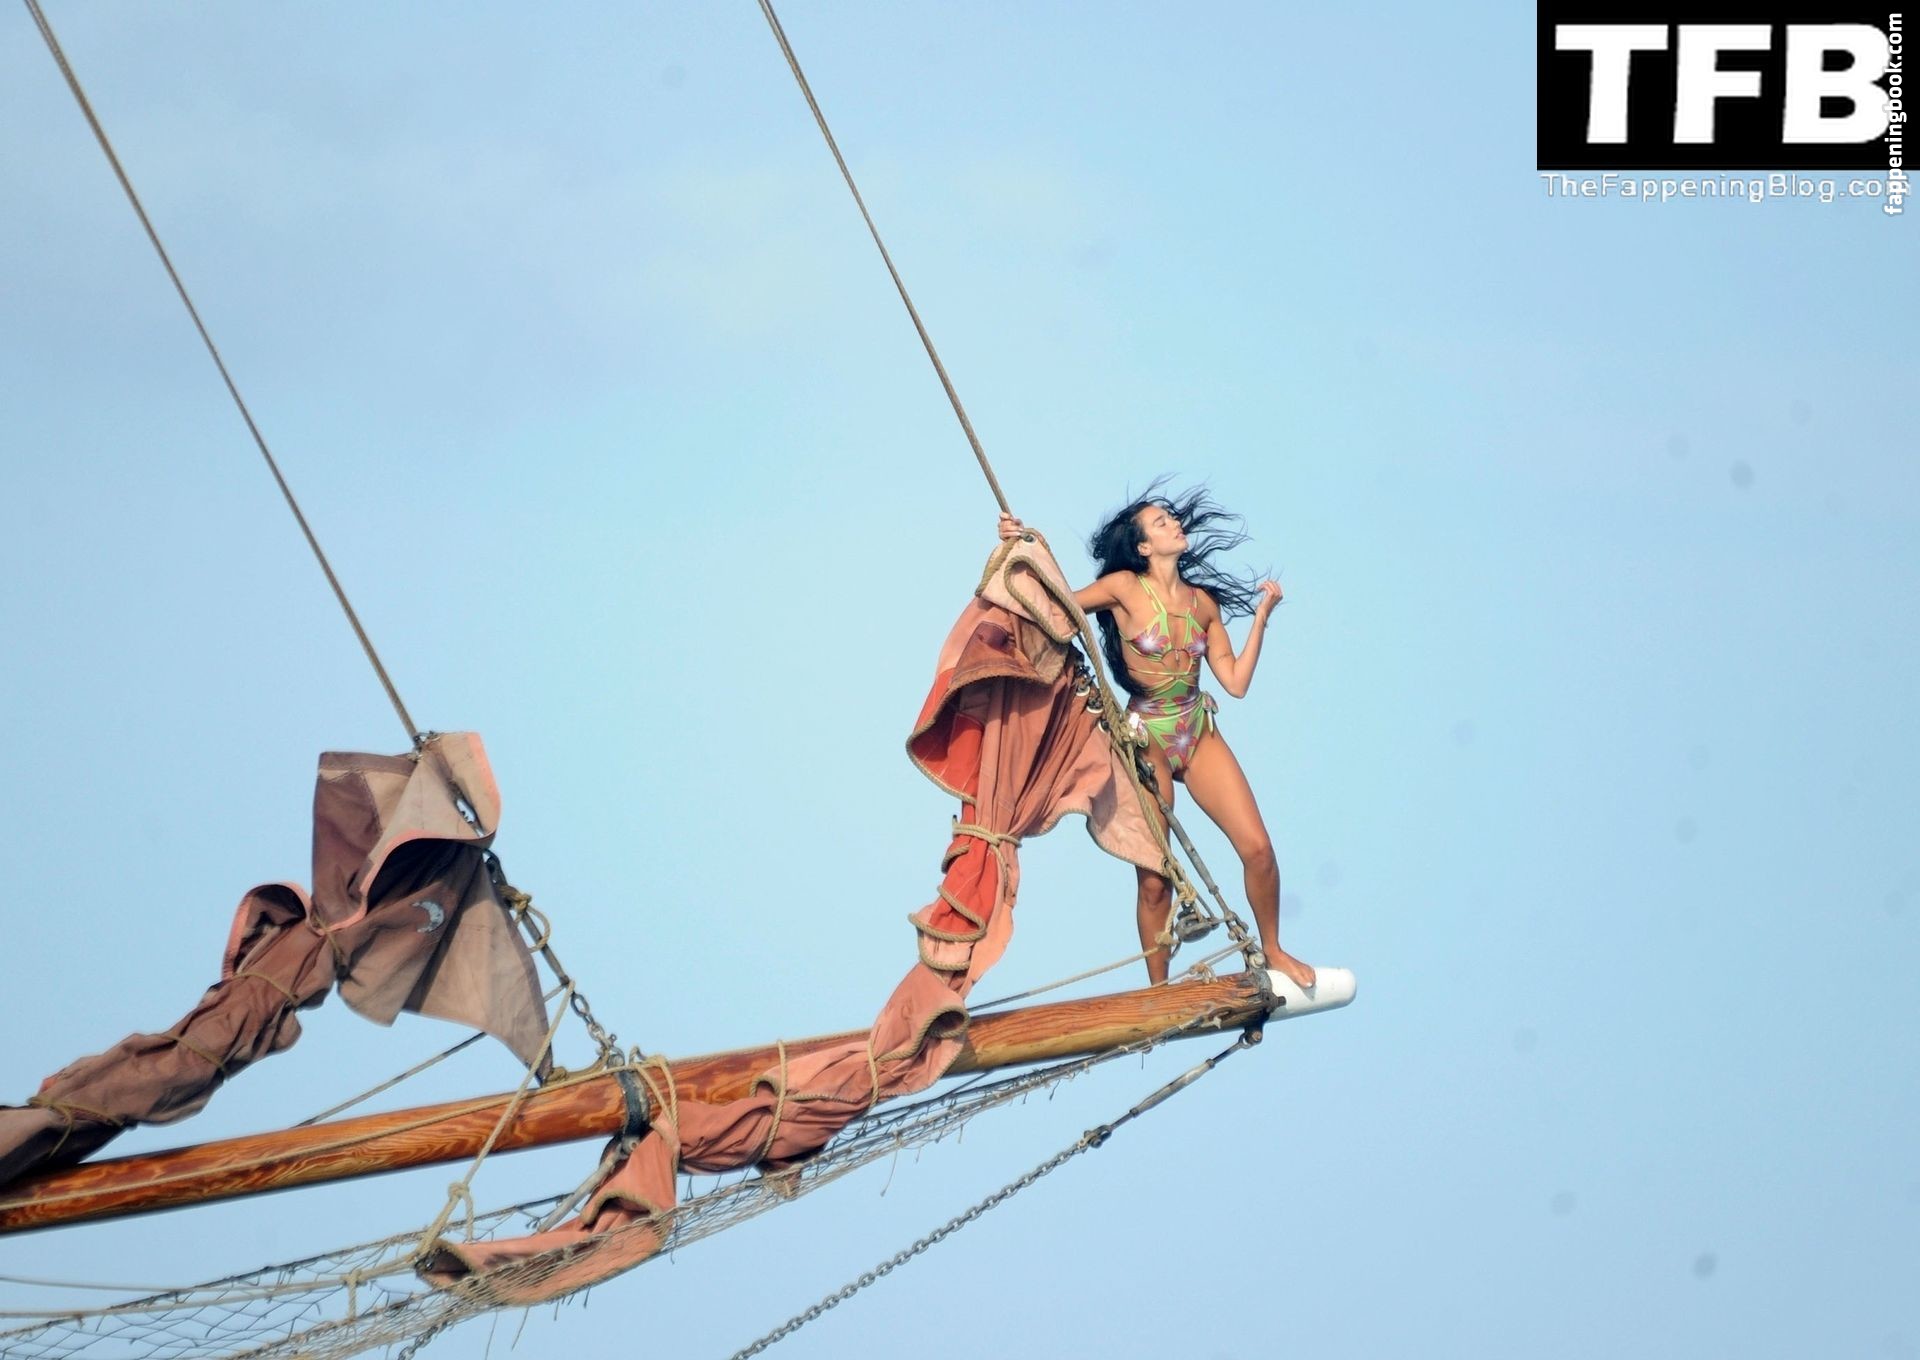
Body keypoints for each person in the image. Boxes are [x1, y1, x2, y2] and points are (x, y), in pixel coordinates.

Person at [997, 488, 1317, 992]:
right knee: (1155, 877)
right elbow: (1055, 605)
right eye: (1160, 522)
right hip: (1146, 736)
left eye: (1171, 518)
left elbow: (1235, 683)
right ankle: (1158, 992)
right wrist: (1019, 549)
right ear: (1143, 547)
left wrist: (1261, 619)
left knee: (1259, 850)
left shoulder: (1203, 604)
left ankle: (1273, 948)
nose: (1173, 523)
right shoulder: (1123, 587)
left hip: (1197, 731)